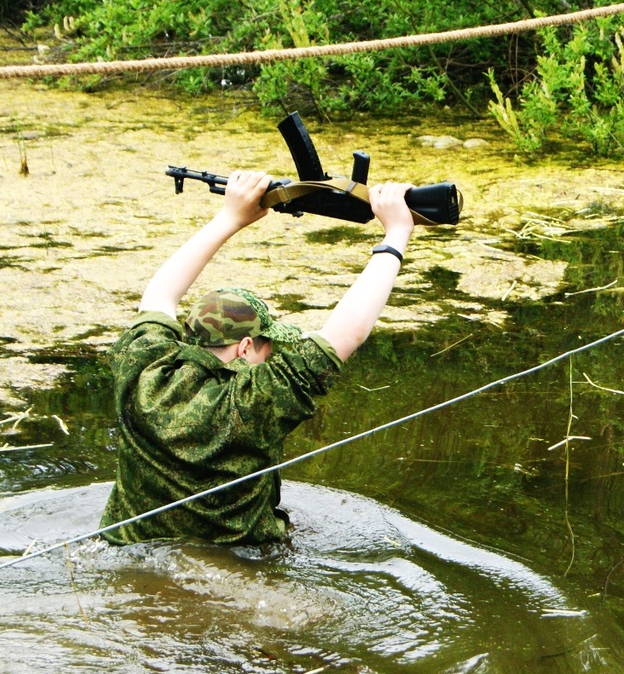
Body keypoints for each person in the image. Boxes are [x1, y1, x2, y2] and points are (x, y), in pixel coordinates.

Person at [99, 169, 415, 546]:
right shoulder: (254, 399)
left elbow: (158, 295)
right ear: (246, 348)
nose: (269, 359)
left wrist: (230, 217)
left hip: (128, 552)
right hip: (241, 568)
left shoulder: (146, 369)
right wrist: (396, 234)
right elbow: (347, 332)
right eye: (268, 349)